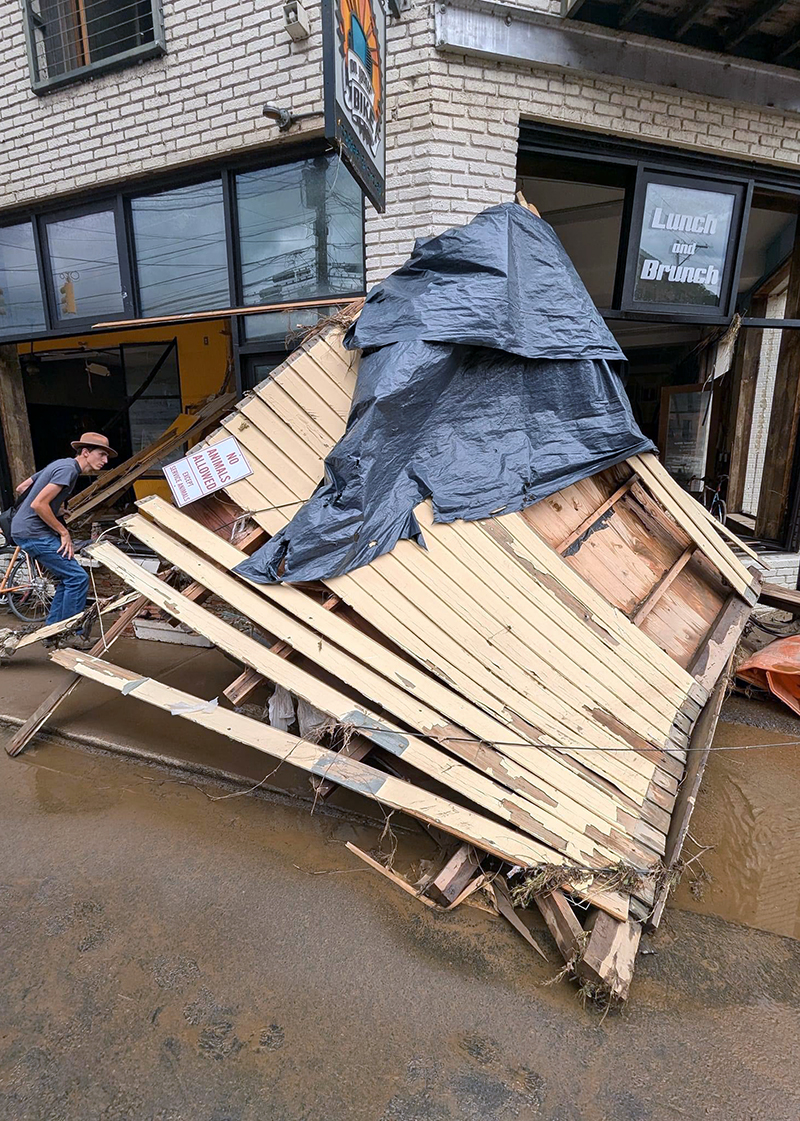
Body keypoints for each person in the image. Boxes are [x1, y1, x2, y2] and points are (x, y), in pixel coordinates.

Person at [11, 432, 117, 631]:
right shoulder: (68, 469)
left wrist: (56, 507)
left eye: (106, 457)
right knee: (77, 578)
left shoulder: (61, 464)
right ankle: (69, 631)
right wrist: (63, 532)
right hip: (33, 532)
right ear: (85, 452)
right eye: (101, 454)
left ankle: (53, 630)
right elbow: (38, 504)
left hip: (26, 530)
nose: (105, 460)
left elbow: (22, 487)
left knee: (67, 579)